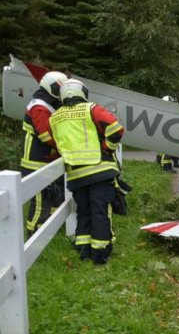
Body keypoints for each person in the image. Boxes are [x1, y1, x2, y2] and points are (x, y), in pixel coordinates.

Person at [49, 79, 124, 265]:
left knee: (83, 211)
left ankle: (83, 250)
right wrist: (107, 148)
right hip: (99, 170)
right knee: (100, 211)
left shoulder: (54, 117)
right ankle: (100, 253)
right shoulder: (91, 109)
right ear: (82, 92)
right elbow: (116, 128)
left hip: (75, 174)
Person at [20, 71, 68, 237]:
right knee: (41, 199)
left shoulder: (49, 103)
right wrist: (65, 147)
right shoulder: (39, 106)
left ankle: (52, 227)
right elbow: (46, 135)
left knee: (55, 195)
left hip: (47, 160)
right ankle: (34, 232)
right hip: (36, 161)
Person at [157, 95, 178, 173]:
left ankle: (169, 167)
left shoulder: (166, 110)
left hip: (168, 133)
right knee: (165, 151)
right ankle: (165, 168)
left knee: (169, 151)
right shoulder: (163, 111)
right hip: (165, 133)